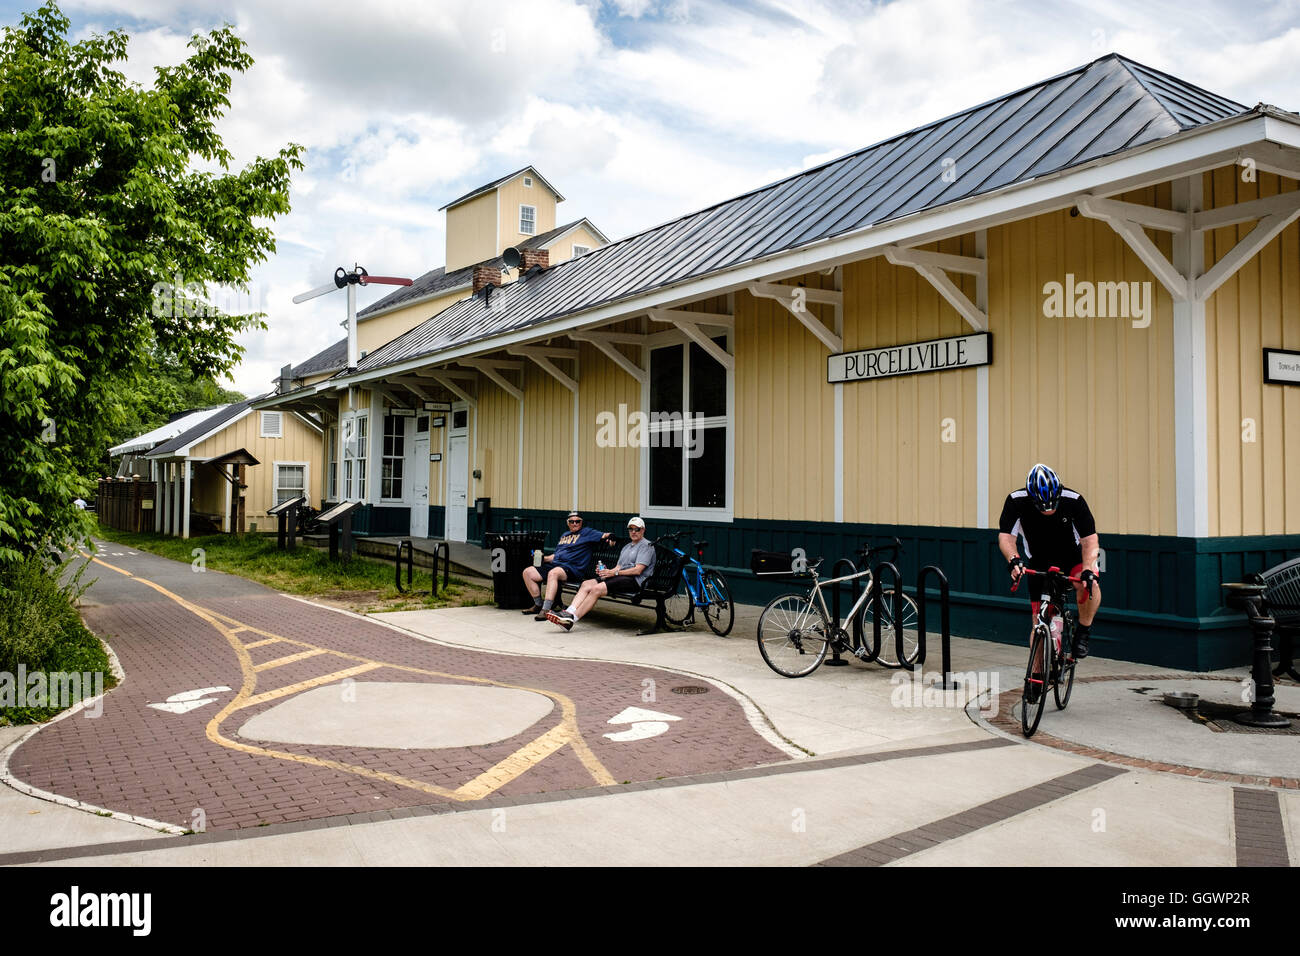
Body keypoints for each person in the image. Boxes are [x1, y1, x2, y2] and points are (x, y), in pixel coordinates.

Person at [998, 463, 1101, 700]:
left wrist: (1088, 570)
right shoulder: (1016, 501)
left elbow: (1090, 541)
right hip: (1039, 560)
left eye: (1052, 504)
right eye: (1042, 506)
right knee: (1038, 621)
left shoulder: (1074, 500)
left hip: (1073, 557)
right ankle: (1036, 677)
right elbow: (1006, 537)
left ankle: (1083, 631)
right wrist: (1014, 560)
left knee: (1090, 586)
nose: (1048, 510)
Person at [547, 517, 656, 631]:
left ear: (643, 530)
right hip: (621, 577)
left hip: (635, 581)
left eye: (637, 529)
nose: (633, 532)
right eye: (631, 529)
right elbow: (618, 567)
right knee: (586, 584)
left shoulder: (646, 546)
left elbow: (637, 570)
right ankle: (568, 613)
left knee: (596, 589)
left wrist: (615, 573)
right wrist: (606, 572)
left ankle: (571, 620)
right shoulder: (627, 547)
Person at [521, 511, 610, 621]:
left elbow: (605, 535)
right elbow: (557, 555)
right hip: (557, 566)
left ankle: (546, 610)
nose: (575, 523)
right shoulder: (565, 535)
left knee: (553, 573)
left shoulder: (587, 533)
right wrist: (545, 558)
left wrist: (611, 538)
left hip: (573, 568)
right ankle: (539, 604)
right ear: (567, 523)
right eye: (571, 521)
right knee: (528, 572)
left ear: (581, 522)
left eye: (577, 521)